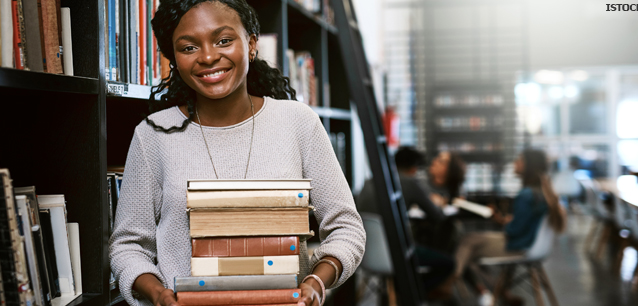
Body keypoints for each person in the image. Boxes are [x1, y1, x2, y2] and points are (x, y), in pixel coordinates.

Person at [108, 1, 366, 306]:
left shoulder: (298, 122)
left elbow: (346, 228)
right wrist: (159, 294)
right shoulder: (153, 134)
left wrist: (316, 282)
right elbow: (128, 246)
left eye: (224, 41)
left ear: (252, 44)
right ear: (174, 59)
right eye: (188, 47)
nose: (207, 57)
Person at [453, 149, 566, 305]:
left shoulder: (526, 195)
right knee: (470, 248)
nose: (515, 163)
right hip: (533, 246)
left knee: (468, 242)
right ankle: (501, 292)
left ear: (528, 166)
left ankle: (450, 280)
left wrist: (505, 223)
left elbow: (513, 231)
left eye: (519, 160)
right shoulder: (543, 193)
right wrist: (506, 220)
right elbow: (526, 222)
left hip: (520, 246)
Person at [356, 147, 454, 298]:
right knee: (448, 264)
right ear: (414, 168)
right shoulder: (410, 182)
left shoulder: (370, 181)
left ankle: (399, 288)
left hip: (363, 255)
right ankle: (407, 292)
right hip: (394, 256)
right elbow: (437, 215)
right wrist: (441, 204)